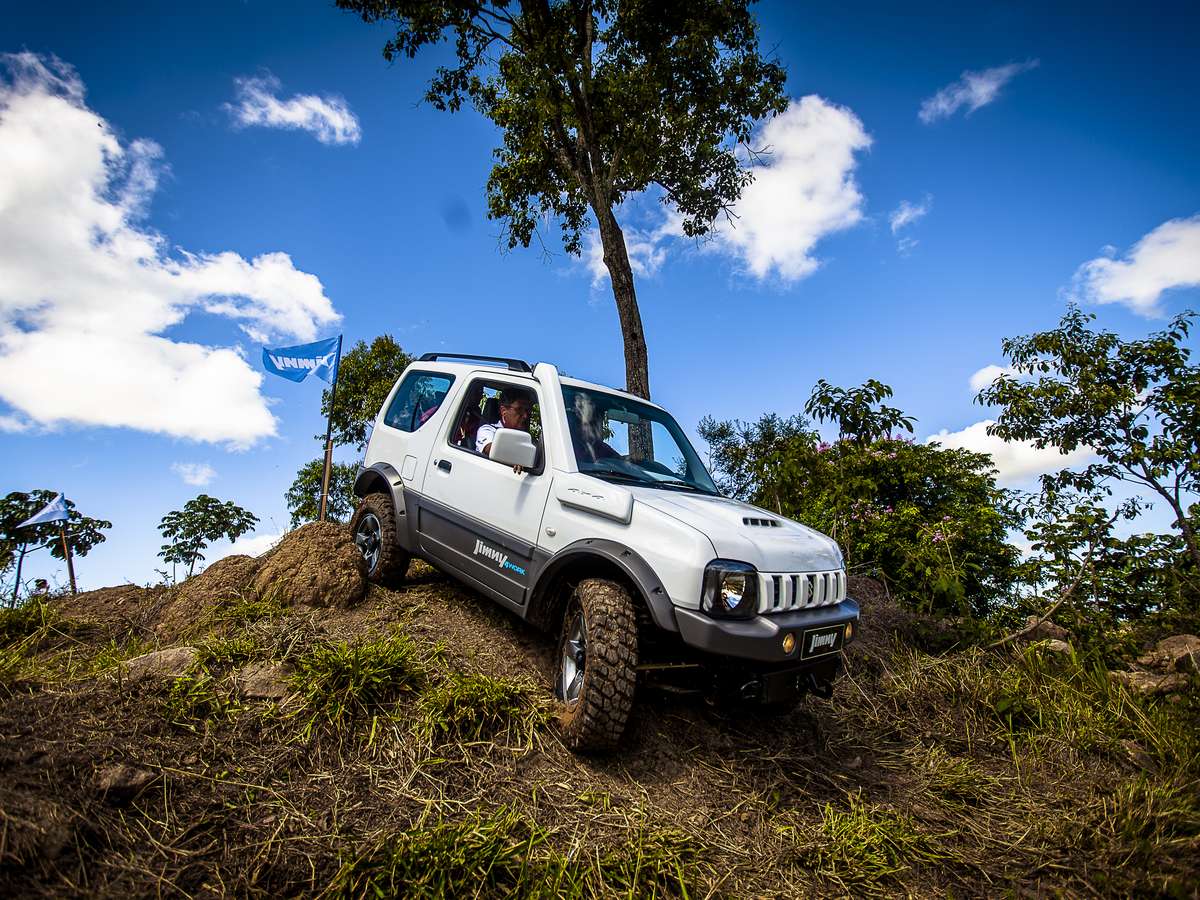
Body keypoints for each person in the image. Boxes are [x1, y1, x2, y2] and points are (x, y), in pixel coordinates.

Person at [476, 387, 533, 471]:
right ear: (504, 411)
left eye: (527, 410)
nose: (525, 415)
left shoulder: (525, 438)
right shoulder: (487, 430)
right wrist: (516, 458)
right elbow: (490, 449)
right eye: (519, 409)